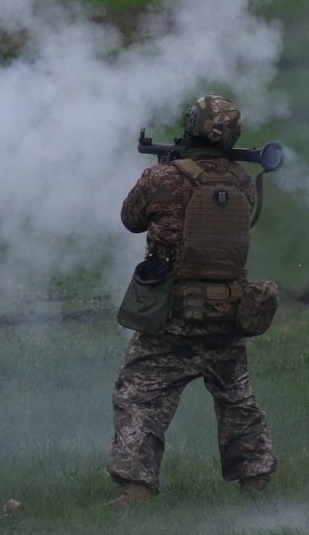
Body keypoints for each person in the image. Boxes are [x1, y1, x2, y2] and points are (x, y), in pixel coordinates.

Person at [108, 94, 276, 506]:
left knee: (139, 395)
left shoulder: (162, 178)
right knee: (236, 398)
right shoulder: (241, 181)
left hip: (173, 315)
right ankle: (255, 483)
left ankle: (136, 488)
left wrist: (162, 171)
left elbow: (131, 219)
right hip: (229, 312)